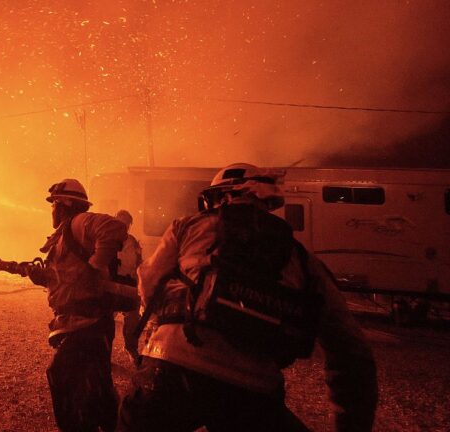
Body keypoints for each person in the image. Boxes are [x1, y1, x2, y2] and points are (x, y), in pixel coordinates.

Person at [118, 163, 378, 432]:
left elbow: (148, 281)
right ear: (267, 202)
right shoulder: (301, 258)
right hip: (253, 390)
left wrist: (160, 332)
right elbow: (351, 351)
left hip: (170, 370)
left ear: (221, 197)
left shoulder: (187, 227)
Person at [32, 178, 128, 432]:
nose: (52, 210)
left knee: (60, 374)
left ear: (64, 205)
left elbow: (114, 228)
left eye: (54, 205)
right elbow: (68, 277)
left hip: (89, 324)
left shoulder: (79, 223)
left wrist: (94, 268)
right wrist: (44, 276)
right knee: (98, 390)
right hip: (85, 324)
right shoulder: (64, 236)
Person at [111, 209, 143, 367]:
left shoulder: (133, 242)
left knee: (132, 318)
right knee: (104, 320)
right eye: (120, 222)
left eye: (127, 224)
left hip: (128, 285)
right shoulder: (106, 239)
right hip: (110, 285)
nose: (124, 226)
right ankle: (102, 352)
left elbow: (139, 264)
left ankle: (131, 348)